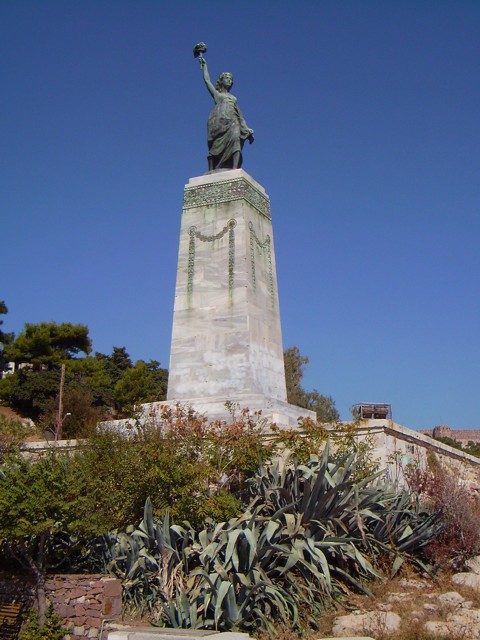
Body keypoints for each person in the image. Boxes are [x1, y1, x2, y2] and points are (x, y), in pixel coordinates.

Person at [199, 57, 254, 170]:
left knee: (235, 139)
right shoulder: (218, 95)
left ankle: (235, 169)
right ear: (221, 80)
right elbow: (207, 80)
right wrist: (205, 66)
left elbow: (240, 115)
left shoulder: (233, 98)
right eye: (226, 78)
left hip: (233, 121)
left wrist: (247, 128)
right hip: (219, 122)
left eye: (230, 79)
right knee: (215, 146)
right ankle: (213, 168)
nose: (229, 80)